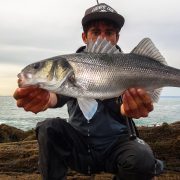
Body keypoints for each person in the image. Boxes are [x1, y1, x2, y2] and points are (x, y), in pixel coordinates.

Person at [13, 3, 164, 180]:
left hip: (115, 146)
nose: (103, 38)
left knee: (143, 157)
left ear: (117, 37)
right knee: (48, 128)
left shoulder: (130, 64)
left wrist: (128, 108)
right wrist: (46, 99)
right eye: (95, 32)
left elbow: (120, 106)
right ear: (85, 37)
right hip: (79, 147)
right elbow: (56, 96)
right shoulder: (71, 68)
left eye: (109, 33)